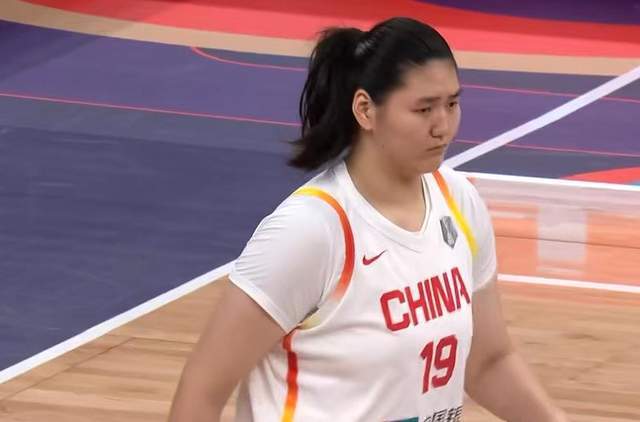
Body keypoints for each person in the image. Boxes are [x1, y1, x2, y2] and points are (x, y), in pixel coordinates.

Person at [169, 17, 567, 422]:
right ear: (365, 110)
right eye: (424, 108)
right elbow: (201, 391)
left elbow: (487, 362)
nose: (443, 126)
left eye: (452, 104)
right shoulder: (311, 230)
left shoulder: (459, 203)